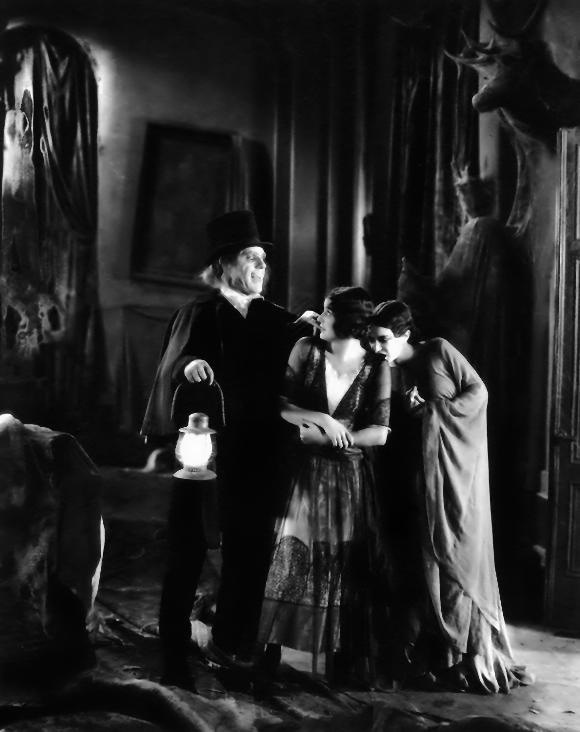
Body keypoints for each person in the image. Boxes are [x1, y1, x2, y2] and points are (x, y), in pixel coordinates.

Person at [141, 210, 317, 690]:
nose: (262, 267)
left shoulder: (274, 317)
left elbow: (300, 359)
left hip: (261, 454)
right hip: (208, 456)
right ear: (223, 264)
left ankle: (233, 646)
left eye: (263, 259)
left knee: (252, 553)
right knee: (188, 551)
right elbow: (175, 360)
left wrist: (308, 327)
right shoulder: (201, 312)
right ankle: (173, 653)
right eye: (251, 258)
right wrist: (190, 364)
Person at [368, 300, 530, 693]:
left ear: (405, 334)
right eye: (372, 340)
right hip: (419, 477)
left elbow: (479, 392)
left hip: (456, 474)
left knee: (458, 554)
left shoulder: (438, 350)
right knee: (425, 562)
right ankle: (434, 661)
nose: (377, 347)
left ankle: (465, 659)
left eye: (383, 339)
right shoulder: (387, 370)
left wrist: (437, 412)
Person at [257, 286, 391, 685]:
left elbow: (380, 432)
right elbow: (281, 405)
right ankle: (268, 654)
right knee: (289, 560)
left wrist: (330, 438)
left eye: (328, 312)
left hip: (348, 481)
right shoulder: (306, 349)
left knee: (341, 566)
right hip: (304, 474)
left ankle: (340, 660)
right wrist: (324, 420)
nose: (320, 317)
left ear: (347, 321)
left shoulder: (376, 366)